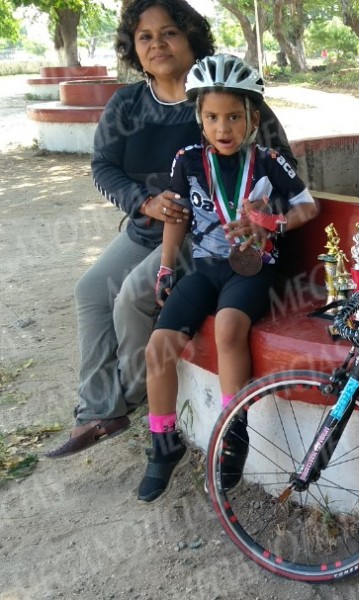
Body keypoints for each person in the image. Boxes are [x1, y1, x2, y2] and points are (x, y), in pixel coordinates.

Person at [46, 0, 295, 459]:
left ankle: (139, 398)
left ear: (191, 37)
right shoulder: (126, 104)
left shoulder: (223, 95)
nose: (158, 44)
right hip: (147, 227)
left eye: (170, 33)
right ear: (133, 48)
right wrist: (142, 201)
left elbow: (283, 167)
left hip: (203, 238)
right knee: (89, 291)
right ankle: (101, 410)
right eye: (145, 37)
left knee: (133, 298)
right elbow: (102, 167)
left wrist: (260, 214)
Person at [136, 54, 318, 502]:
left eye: (234, 117)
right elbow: (176, 217)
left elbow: (308, 208)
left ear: (252, 118)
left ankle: (233, 435)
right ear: (200, 118)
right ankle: (163, 445)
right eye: (213, 117)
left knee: (228, 326)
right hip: (204, 269)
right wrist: (165, 267)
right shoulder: (189, 161)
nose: (224, 128)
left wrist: (269, 225)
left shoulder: (271, 161)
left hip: (253, 267)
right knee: (159, 347)